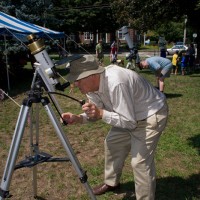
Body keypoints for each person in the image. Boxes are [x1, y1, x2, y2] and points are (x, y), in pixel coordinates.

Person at [61, 55, 168, 200]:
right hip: (129, 116)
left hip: (150, 115)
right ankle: (112, 183)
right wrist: (78, 118)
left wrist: (101, 113)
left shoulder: (116, 82)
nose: (75, 84)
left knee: (139, 163)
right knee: (112, 143)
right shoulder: (91, 88)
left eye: (77, 80)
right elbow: (96, 113)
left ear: (91, 76)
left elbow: (128, 122)